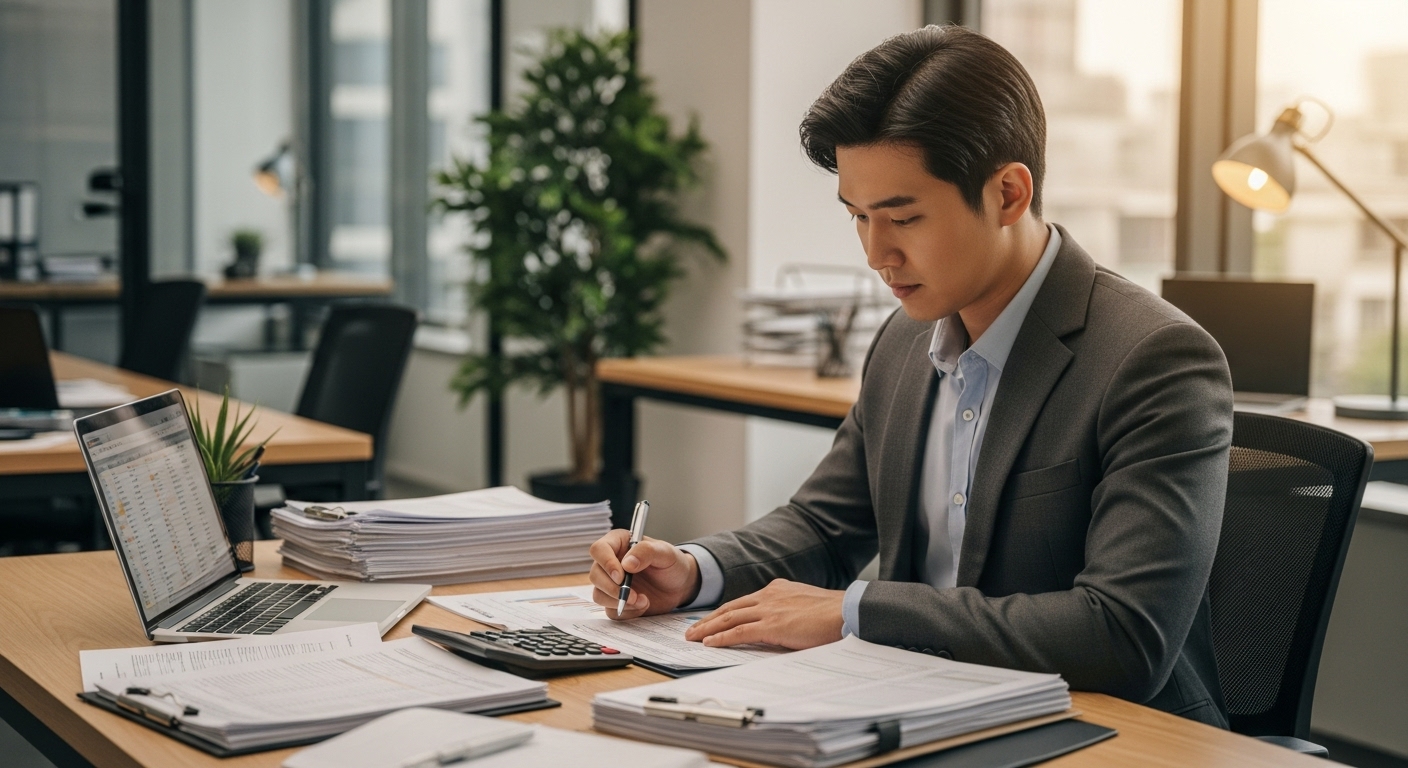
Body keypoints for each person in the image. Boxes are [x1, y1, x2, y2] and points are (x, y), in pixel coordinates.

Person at [587, 24, 1233, 727]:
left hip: (1103, 731)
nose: (876, 252)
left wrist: (858, 611)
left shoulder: (1155, 359)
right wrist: (692, 568)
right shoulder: (904, 339)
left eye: (904, 217)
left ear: (1010, 194)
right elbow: (824, 525)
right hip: (914, 704)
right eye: (858, 216)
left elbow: (1121, 633)